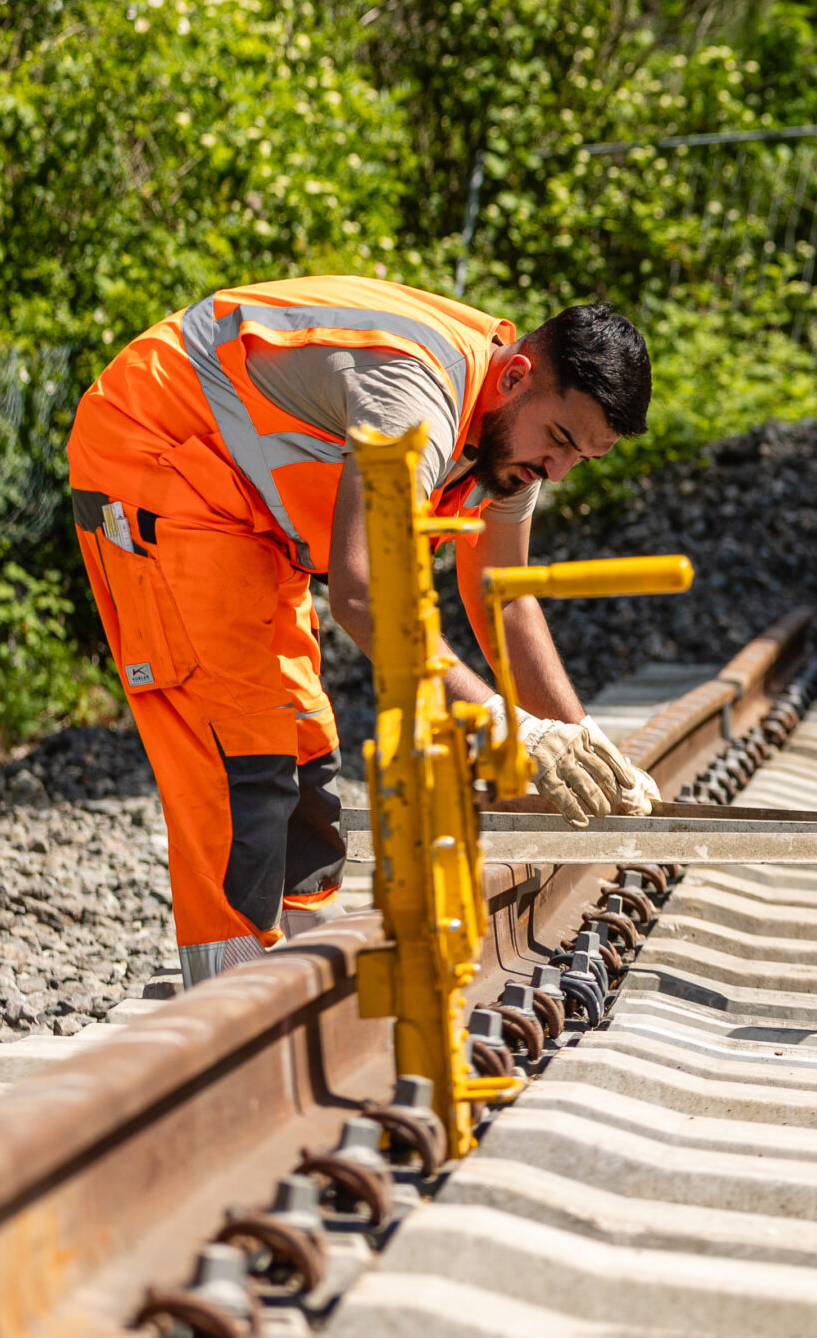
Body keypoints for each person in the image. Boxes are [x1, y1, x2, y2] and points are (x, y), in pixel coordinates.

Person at [67, 277, 661, 987]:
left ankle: (296, 975)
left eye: (580, 460)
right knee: (244, 758)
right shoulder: (415, 393)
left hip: (247, 515)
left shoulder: (512, 434)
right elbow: (364, 593)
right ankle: (227, 1006)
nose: (556, 471)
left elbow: (505, 599)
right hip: (159, 460)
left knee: (304, 749)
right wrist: (514, 730)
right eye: (559, 441)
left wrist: (583, 740)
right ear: (516, 375)